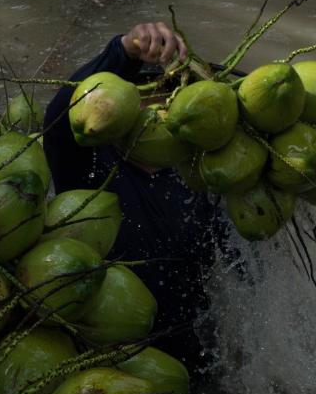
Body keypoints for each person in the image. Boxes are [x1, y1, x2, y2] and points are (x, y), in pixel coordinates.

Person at [43, 22, 224, 372]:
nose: (157, 114)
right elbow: (61, 117)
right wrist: (124, 51)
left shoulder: (199, 178)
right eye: (144, 101)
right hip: (115, 365)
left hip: (193, 359)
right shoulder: (90, 167)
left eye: (168, 101)